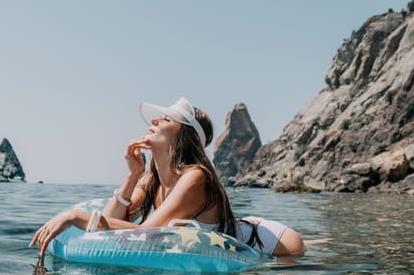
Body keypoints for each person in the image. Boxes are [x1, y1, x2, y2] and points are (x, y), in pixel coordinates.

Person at [30, 97, 305, 258]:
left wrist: (76, 217)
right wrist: (132, 175)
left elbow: (149, 235)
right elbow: (118, 221)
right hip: (223, 230)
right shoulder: (150, 180)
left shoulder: (196, 178)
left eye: (165, 120)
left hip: (270, 244)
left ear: (183, 134)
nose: (153, 122)